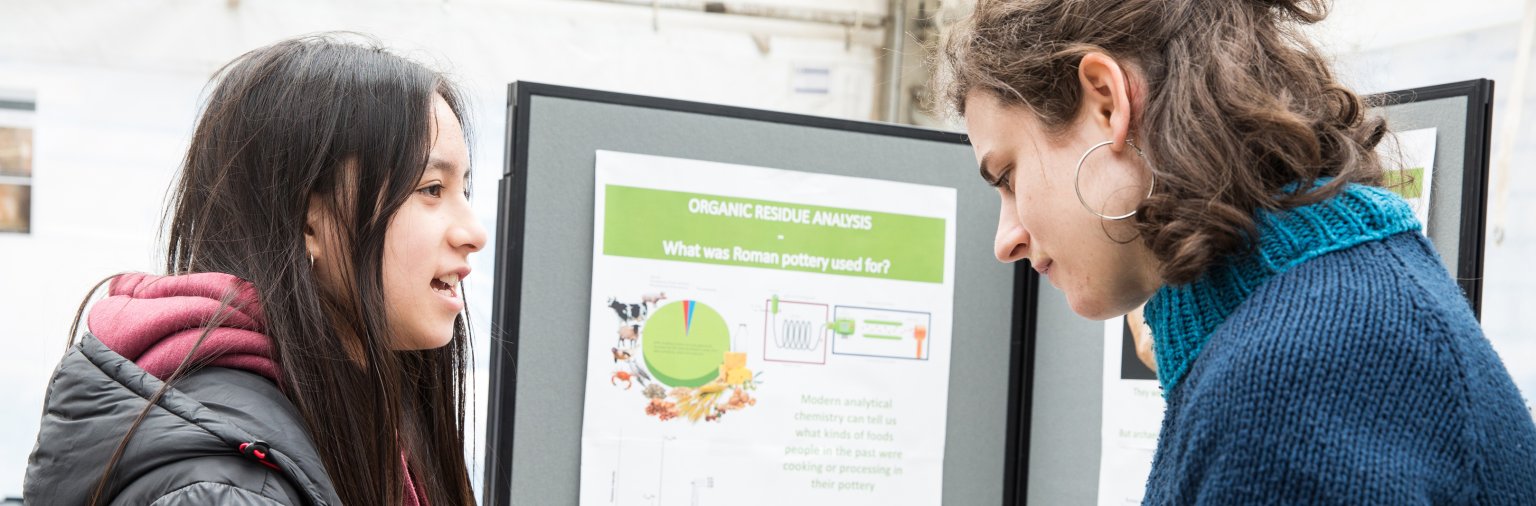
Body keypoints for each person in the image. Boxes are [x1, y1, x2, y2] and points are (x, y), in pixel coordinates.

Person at [937, 0, 1536, 503]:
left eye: (1009, 176)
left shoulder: (1300, 373)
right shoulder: (1325, 309)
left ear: (1106, 102)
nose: (1005, 239)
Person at [25, 34, 486, 505]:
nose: (474, 232)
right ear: (310, 219)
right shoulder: (227, 489)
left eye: (464, 190)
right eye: (431, 188)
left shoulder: (337, 423)